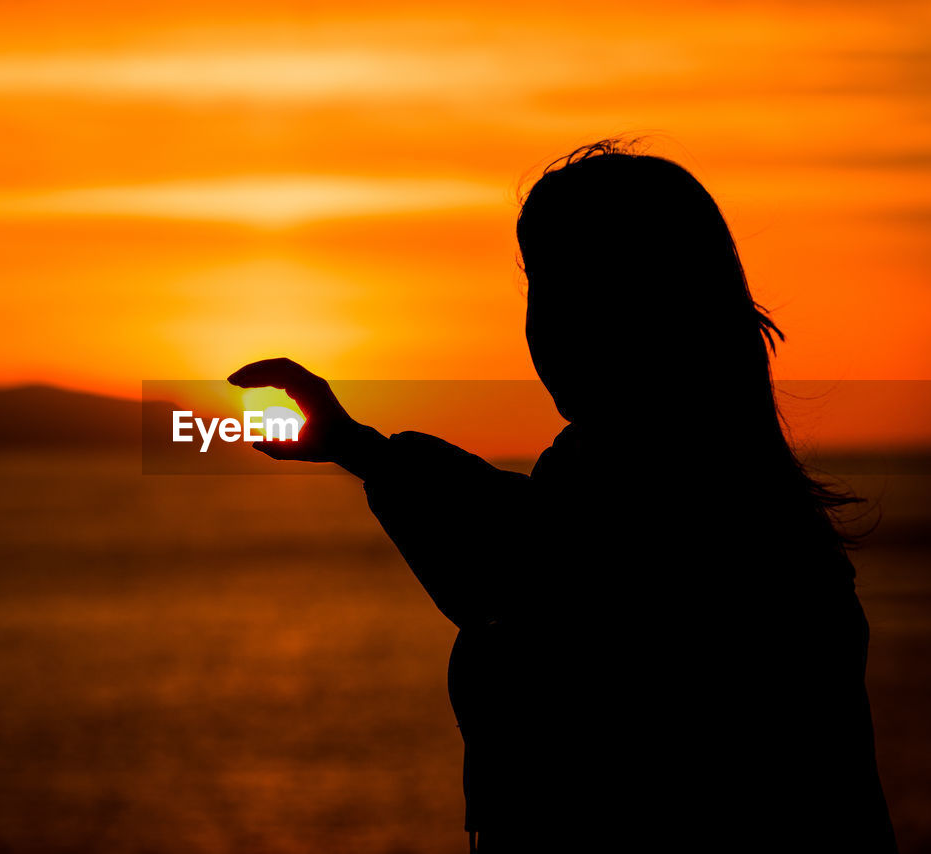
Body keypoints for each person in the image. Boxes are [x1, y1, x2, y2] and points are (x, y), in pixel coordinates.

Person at [228, 141, 897, 853]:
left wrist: (361, 450)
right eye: (539, 288)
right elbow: (523, 541)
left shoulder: (708, 529)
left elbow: (533, 569)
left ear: (659, 306)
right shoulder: (634, 486)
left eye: (580, 287)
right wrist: (356, 447)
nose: (548, 325)